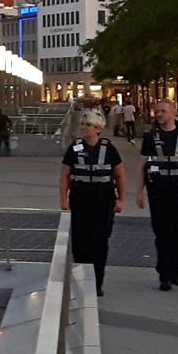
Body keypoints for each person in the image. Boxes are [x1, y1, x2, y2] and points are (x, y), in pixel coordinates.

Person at [135, 99, 178, 291]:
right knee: (163, 233)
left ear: (174, 114)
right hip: (158, 192)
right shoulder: (151, 137)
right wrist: (139, 192)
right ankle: (164, 275)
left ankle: (176, 270)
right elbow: (143, 166)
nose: (159, 115)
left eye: (163, 111)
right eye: (157, 111)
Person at [59, 111, 126, 294]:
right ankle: (81, 280)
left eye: (87, 125)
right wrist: (64, 200)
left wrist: (121, 199)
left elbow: (119, 175)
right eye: (82, 124)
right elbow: (65, 175)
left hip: (103, 199)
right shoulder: (75, 148)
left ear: (98, 128)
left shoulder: (109, 149)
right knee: (80, 242)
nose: (83, 128)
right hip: (81, 199)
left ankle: (96, 283)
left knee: (100, 242)